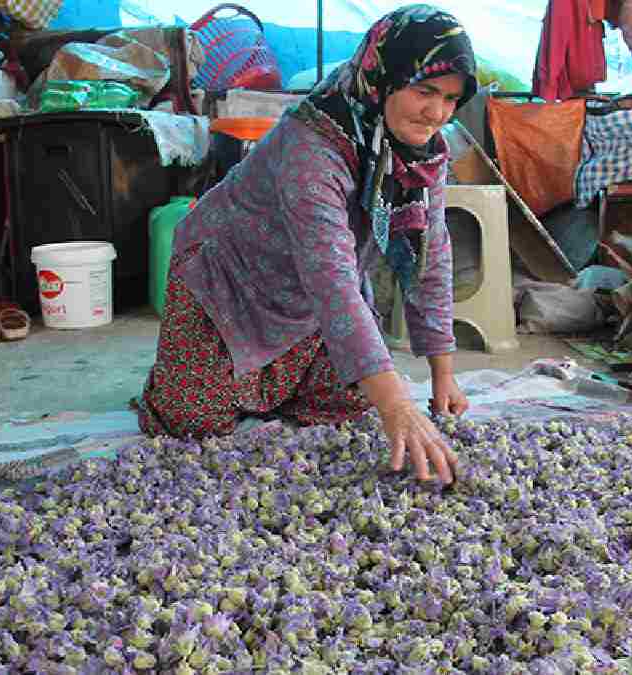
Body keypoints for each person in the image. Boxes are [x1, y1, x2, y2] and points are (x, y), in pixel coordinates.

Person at [138, 5, 479, 485]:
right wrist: (396, 403)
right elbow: (331, 278)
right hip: (231, 277)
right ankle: (186, 380)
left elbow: (431, 251)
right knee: (192, 423)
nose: (437, 112)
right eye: (424, 91)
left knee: (355, 400)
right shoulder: (312, 145)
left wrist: (443, 371)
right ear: (382, 77)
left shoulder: (420, 151)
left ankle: (269, 385)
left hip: (307, 295)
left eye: (450, 98)